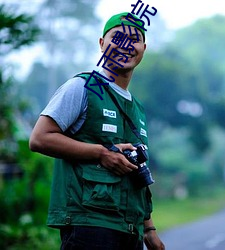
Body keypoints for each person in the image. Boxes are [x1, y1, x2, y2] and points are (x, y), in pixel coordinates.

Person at [29, 11, 165, 250]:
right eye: (117, 37)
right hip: (89, 225)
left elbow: (137, 170)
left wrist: (149, 228)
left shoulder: (138, 108)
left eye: (134, 39)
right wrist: (102, 153)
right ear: (102, 44)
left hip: (130, 229)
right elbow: (40, 138)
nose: (126, 45)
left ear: (144, 47)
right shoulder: (81, 87)